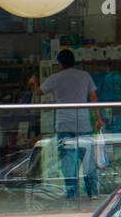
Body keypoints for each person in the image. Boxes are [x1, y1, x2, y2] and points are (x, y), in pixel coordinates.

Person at [42, 49, 103, 200]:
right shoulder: (85, 76)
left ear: (60, 63)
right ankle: (93, 192)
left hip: (64, 125)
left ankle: (72, 194)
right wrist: (98, 117)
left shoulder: (55, 78)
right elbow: (94, 97)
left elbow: (39, 91)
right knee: (87, 160)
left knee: (68, 162)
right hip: (83, 125)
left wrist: (34, 82)